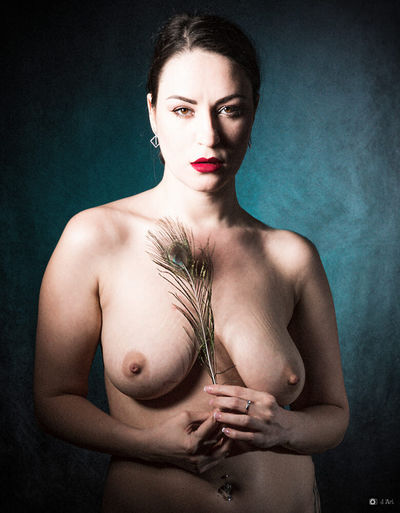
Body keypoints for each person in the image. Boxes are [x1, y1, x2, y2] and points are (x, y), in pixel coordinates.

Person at [34, 13, 349, 513]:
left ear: (253, 113)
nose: (209, 135)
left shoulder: (291, 255)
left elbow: (333, 414)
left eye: (230, 109)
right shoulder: (96, 237)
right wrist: (146, 444)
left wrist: (285, 427)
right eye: (183, 110)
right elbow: (53, 399)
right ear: (152, 113)